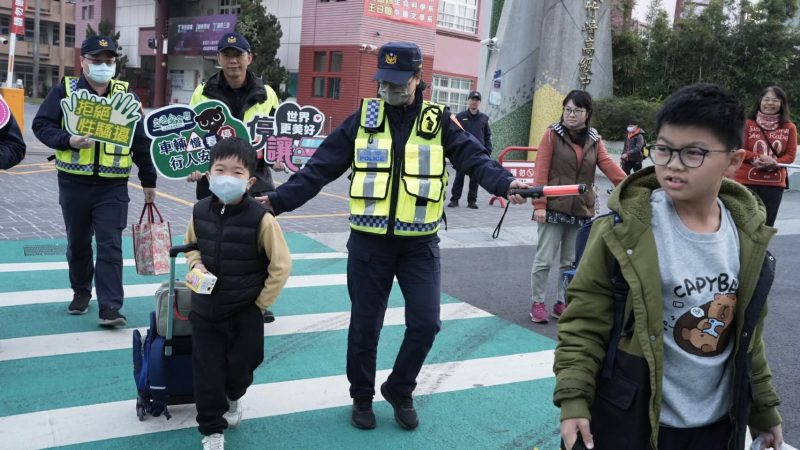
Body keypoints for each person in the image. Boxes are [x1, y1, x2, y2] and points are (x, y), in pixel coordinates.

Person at [261, 42, 528, 431]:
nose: (390, 89)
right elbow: (319, 169)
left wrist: (504, 184)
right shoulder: (363, 119)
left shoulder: (438, 122)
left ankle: (399, 388)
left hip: (419, 244)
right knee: (365, 326)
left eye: (400, 81)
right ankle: (361, 397)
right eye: (384, 81)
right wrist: (276, 201)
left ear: (419, 79)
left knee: (426, 322)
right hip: (369, 244)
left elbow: (474, 158)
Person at [554, 83, 784, 450]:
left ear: (734, 161)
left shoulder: (748, 237)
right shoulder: (621, 231)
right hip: (633, 417)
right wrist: (573, 399)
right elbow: (584, 321)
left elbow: (749, 338)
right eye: (663, 149)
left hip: (718, 425)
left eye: (694, 153)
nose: (673, 164)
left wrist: (764, 410)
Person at [32, 35, 157, 327]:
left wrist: (149, 180)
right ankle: (81, 291)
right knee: (78, 243)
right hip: (73, 183)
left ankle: (111, 307)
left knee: (110, 245)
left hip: (113, 187)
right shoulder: (66, 90)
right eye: (96, 60)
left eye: (109, 61)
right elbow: (41, 125)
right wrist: (68, 140)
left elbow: (140, 141)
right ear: (83, 62)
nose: (103, 66)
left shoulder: (127, 96)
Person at [184, 137, 291, 450]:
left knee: (244, 365)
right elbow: (191, 247)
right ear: (208, 173)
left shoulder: (262, 219)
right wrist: (197, 265)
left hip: (245, 311)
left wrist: (260, 303)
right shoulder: (199, 210)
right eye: (220, 170)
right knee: (206, 371)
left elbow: (280, 265)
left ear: (250, 181)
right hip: (205, 308)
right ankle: (212, 430)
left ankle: (234, 396)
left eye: (237, 173)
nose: (227, 178)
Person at [187, 31, 284, 323]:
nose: (233, 61)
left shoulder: (267, 93)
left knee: (256, 243)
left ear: (249, 58)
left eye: (238, 55)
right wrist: (192, 163)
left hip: (255, 177)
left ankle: (258, 302)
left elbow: (278, 133)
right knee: (211, 240)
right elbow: (192, 135)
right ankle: (209, 295)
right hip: (214, 178)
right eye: (227, 55)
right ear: (219, 59)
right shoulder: (202, 91)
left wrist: (280, 154)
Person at [529, 90, 626, 324]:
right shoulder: (552, 135)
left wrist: (631, 185)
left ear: (587, 113)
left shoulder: (594, 139)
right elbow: (540, 171)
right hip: (552, 206)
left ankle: (562, 302)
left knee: (571, 262)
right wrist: (539, 205)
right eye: (568, 109)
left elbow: (609, 167)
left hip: (581, 209)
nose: (571, 115)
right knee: (544, 260)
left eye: (577, 110)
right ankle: (538, 303)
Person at [732, 86, 797, 227]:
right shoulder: (747, 123)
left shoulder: (789, 127)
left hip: (774, 185)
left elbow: (790, 156)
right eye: (766, 99)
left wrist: (774, 162)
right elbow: (740, 149)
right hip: (745, 182)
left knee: (766, 226)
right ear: (760, 101)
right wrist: (762, 158)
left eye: (775, 100)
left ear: (781, 104)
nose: (770, 103)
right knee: (742, 224)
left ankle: (761, 250)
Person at [447, 90, 492, 209]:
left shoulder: (484, 118)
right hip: (463, 152)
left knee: (475, 179)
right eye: (472, 99)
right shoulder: (460, 116)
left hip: (478, 153)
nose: (474, 102)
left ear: (479, 102)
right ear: (468, 101)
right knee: (459, 177)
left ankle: (472, 201)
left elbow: (487, 136)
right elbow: (454, 133)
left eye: (477, 100)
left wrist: (488, 150)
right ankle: (454, 199)